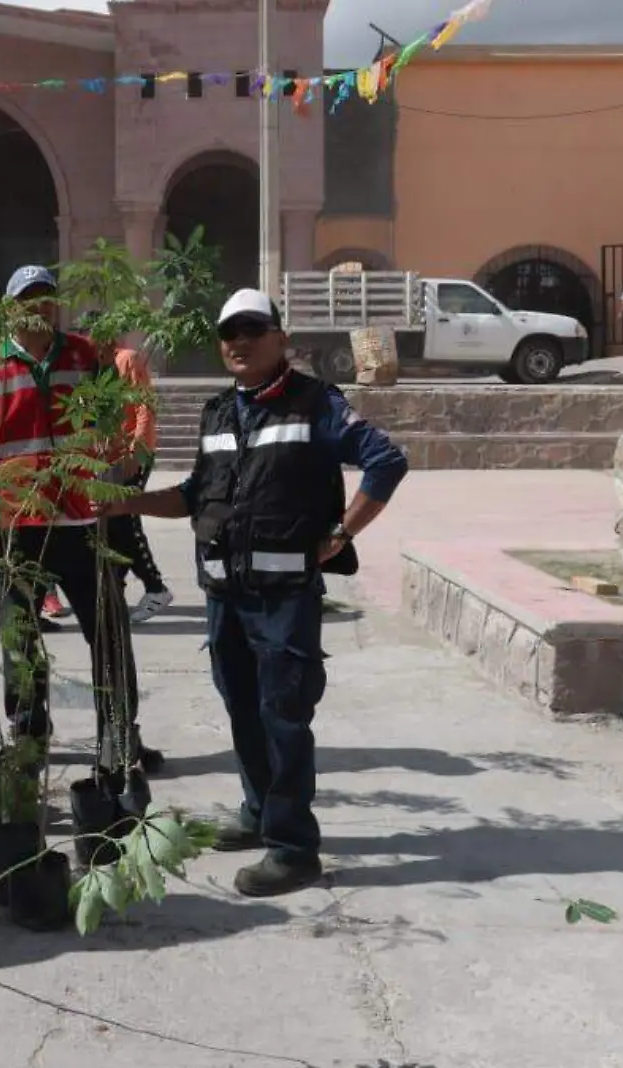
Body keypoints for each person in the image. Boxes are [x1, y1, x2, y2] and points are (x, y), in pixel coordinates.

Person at [99, 288, 408, 897]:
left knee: (283, 716)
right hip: (223, 593)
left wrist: (342, 532)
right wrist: (126, 500)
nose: (238, 342)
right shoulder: (217, 412)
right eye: (229, 333)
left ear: (279, 337)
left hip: (284, 598)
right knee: (241, 706)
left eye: (252, 329)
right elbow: (194, 494)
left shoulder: (315, 403)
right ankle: (258, 811)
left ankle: (293, 849)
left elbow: (386, 461)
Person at [0, 265, 159, 774]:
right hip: (18, 526)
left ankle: (118, 729)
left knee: (109, 630)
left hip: (84, 522)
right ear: (10, 308)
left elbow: (117, 415)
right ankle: (28, 732)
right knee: (21, 637)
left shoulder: (87, 356)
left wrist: (116, 478)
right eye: (30, 300)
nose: (41, 308)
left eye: (48, 299)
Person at [81, 316, 174, 623]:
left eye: (92, 335)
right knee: (113, 521)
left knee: (126, 520)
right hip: (108, 457)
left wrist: (137, 450)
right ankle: (116, 588)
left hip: (132, 455)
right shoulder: (94, 368)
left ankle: (156, 587)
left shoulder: (127, 359)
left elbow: (145, 408)